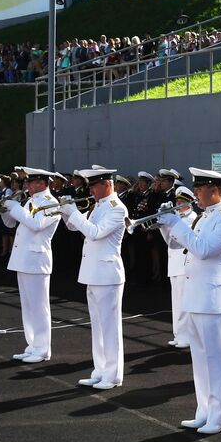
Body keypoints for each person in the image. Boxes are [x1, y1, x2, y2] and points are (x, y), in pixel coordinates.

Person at [157, 168, 221, 434]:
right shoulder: (204, 217)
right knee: (200, 361)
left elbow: (203, 250)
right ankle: (203, 411)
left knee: (217, 361)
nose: (195, 193)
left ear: (214, 190)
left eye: (199, 188)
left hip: (214, 299)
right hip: (196, 295)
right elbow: (177, 245)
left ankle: (219, 417)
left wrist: (177, 223)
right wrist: (167, 225)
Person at [57, 166, 128, 390]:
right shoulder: (98, 205)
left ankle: (113, 375)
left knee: (110, 328)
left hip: (107, 274)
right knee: (97, 327)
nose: (91, 191)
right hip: (93, 273)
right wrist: (65, 211)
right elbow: (74, 227)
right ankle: (100, 370)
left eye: (94, 186)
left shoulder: (117, 208)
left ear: (107, 184)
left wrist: (74, 212)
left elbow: (95, 233)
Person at [1, 169, 63, 363]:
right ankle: (33, 345)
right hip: (23, 258)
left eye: (31, 182)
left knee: (39, 307)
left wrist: (15, 207)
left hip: (37, 260)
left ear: (42, 183)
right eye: (27, 182)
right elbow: (11, 224)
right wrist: (6, 210)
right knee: (28, 307)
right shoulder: (31, 201)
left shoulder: (51, 202)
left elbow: (36, 224)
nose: (27, 186)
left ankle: (43, 349)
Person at [162, 185, 196, 348]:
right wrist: (163, 224)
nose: (178, 204)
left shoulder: (192, 219)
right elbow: (169, 241)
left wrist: (171, 221)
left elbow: (180, 240)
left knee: (184, 302)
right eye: (177, 201)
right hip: (173, 264)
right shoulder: (178, 218)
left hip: (183, 264)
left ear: (189, 203)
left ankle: (186, 336)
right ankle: (177, 334)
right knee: (176, 302)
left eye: (181, 201)